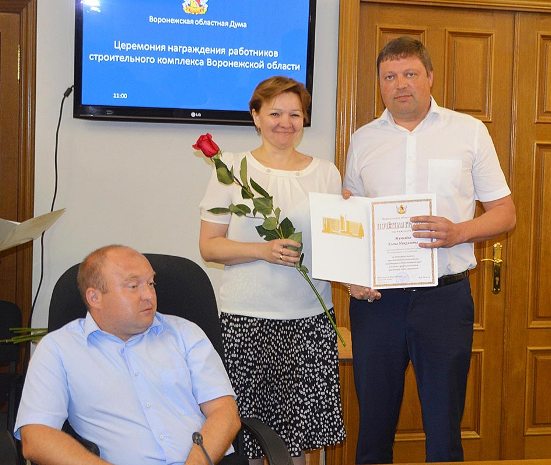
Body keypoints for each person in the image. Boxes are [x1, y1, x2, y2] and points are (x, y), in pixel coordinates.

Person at [343, 37, 516, 464]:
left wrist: (459, 232)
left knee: (444, 428)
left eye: (410, 74)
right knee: (373, 428)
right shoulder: (363, 140)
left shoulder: (468, 132)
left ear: (430, 77)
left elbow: (505, 213)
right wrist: (350, 275)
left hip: (444, 301)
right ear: (379, 83)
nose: (400, 84)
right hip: (377, 303)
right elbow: (350, 220)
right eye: (389, 76)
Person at [198, 76, 346, 465]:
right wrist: (261, 251)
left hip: (309, 320)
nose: (286, 123)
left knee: (298, 441)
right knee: (250, 434)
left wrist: (356, 277)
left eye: (295, 114)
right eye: (275, 113)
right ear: (256, 116)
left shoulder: (326, 173)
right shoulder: (231, 170)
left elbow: (334, 246)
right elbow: (209, 246)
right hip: (247, 320)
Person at [14, 245, 240, 465]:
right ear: (94, 297)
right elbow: (36, 437)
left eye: (151, 283)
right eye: (133, 286)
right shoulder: (58, 349)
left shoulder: (185, 333)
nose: (149, 295)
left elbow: (225, 412)